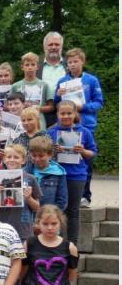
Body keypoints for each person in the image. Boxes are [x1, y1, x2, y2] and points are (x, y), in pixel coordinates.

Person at [0, 144, 41, 285]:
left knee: (17, 270)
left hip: (22, 232)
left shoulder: (30, 179)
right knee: (5, 270)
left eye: (16, 157)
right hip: (1, 230)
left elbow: (37, 207)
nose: (12, 160)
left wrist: (28, 197)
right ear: (4, 159)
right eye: (9, 157)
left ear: (23, 160)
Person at [53, 48, 104, 207]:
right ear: (66, 64)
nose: (73, 64)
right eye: (70, 62)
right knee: (65, 158)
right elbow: (56, 104)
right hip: (65, 126)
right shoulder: (62, 81)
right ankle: (66, 194)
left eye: (76, 61)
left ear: (82, 61)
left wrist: (83, 107)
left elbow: (99, 103)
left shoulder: (92, 80)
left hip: (86, 125)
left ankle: (85, 196)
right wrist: (58, 95)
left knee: (85, 159)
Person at [47, 100, 96, 245]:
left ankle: (73, 245)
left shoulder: (84, 132)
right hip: (55, 175)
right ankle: (59, 243)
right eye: (62, 113)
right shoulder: (51, 132)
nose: (66, 116)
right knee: (58, 210)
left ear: (75, 114)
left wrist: (83, 151)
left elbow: (92, 153)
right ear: (57, 114)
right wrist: (53, 151)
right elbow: (43, 155)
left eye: (69, 113)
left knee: (73, 211)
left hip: (77, 176)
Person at [12, 52, 53, 129]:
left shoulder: (45, 85)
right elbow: (8, 106)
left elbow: (51, 106)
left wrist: (39, 108)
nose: (30, 67)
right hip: (20, 123)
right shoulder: (15, 86)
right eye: (27, 65)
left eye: (33, 64)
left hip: (39, 123)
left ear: (37, 67)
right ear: (22, 67)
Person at [25, 136, 67, 210]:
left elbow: (62, 201)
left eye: (41, 156)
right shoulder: (25, 172)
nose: (37, 159)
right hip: (28, 215)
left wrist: (51, 214)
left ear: (50, 155)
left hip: (48, 214)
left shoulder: (58, 173)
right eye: (34, 155)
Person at [38, 32, 66, 127]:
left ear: (61, 46)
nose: (53, 47)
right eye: (50, 44)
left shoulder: (70, 64)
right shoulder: (36, 65)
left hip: (66, 111)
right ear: (44, 47)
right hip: (42, 112)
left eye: (57, 44)